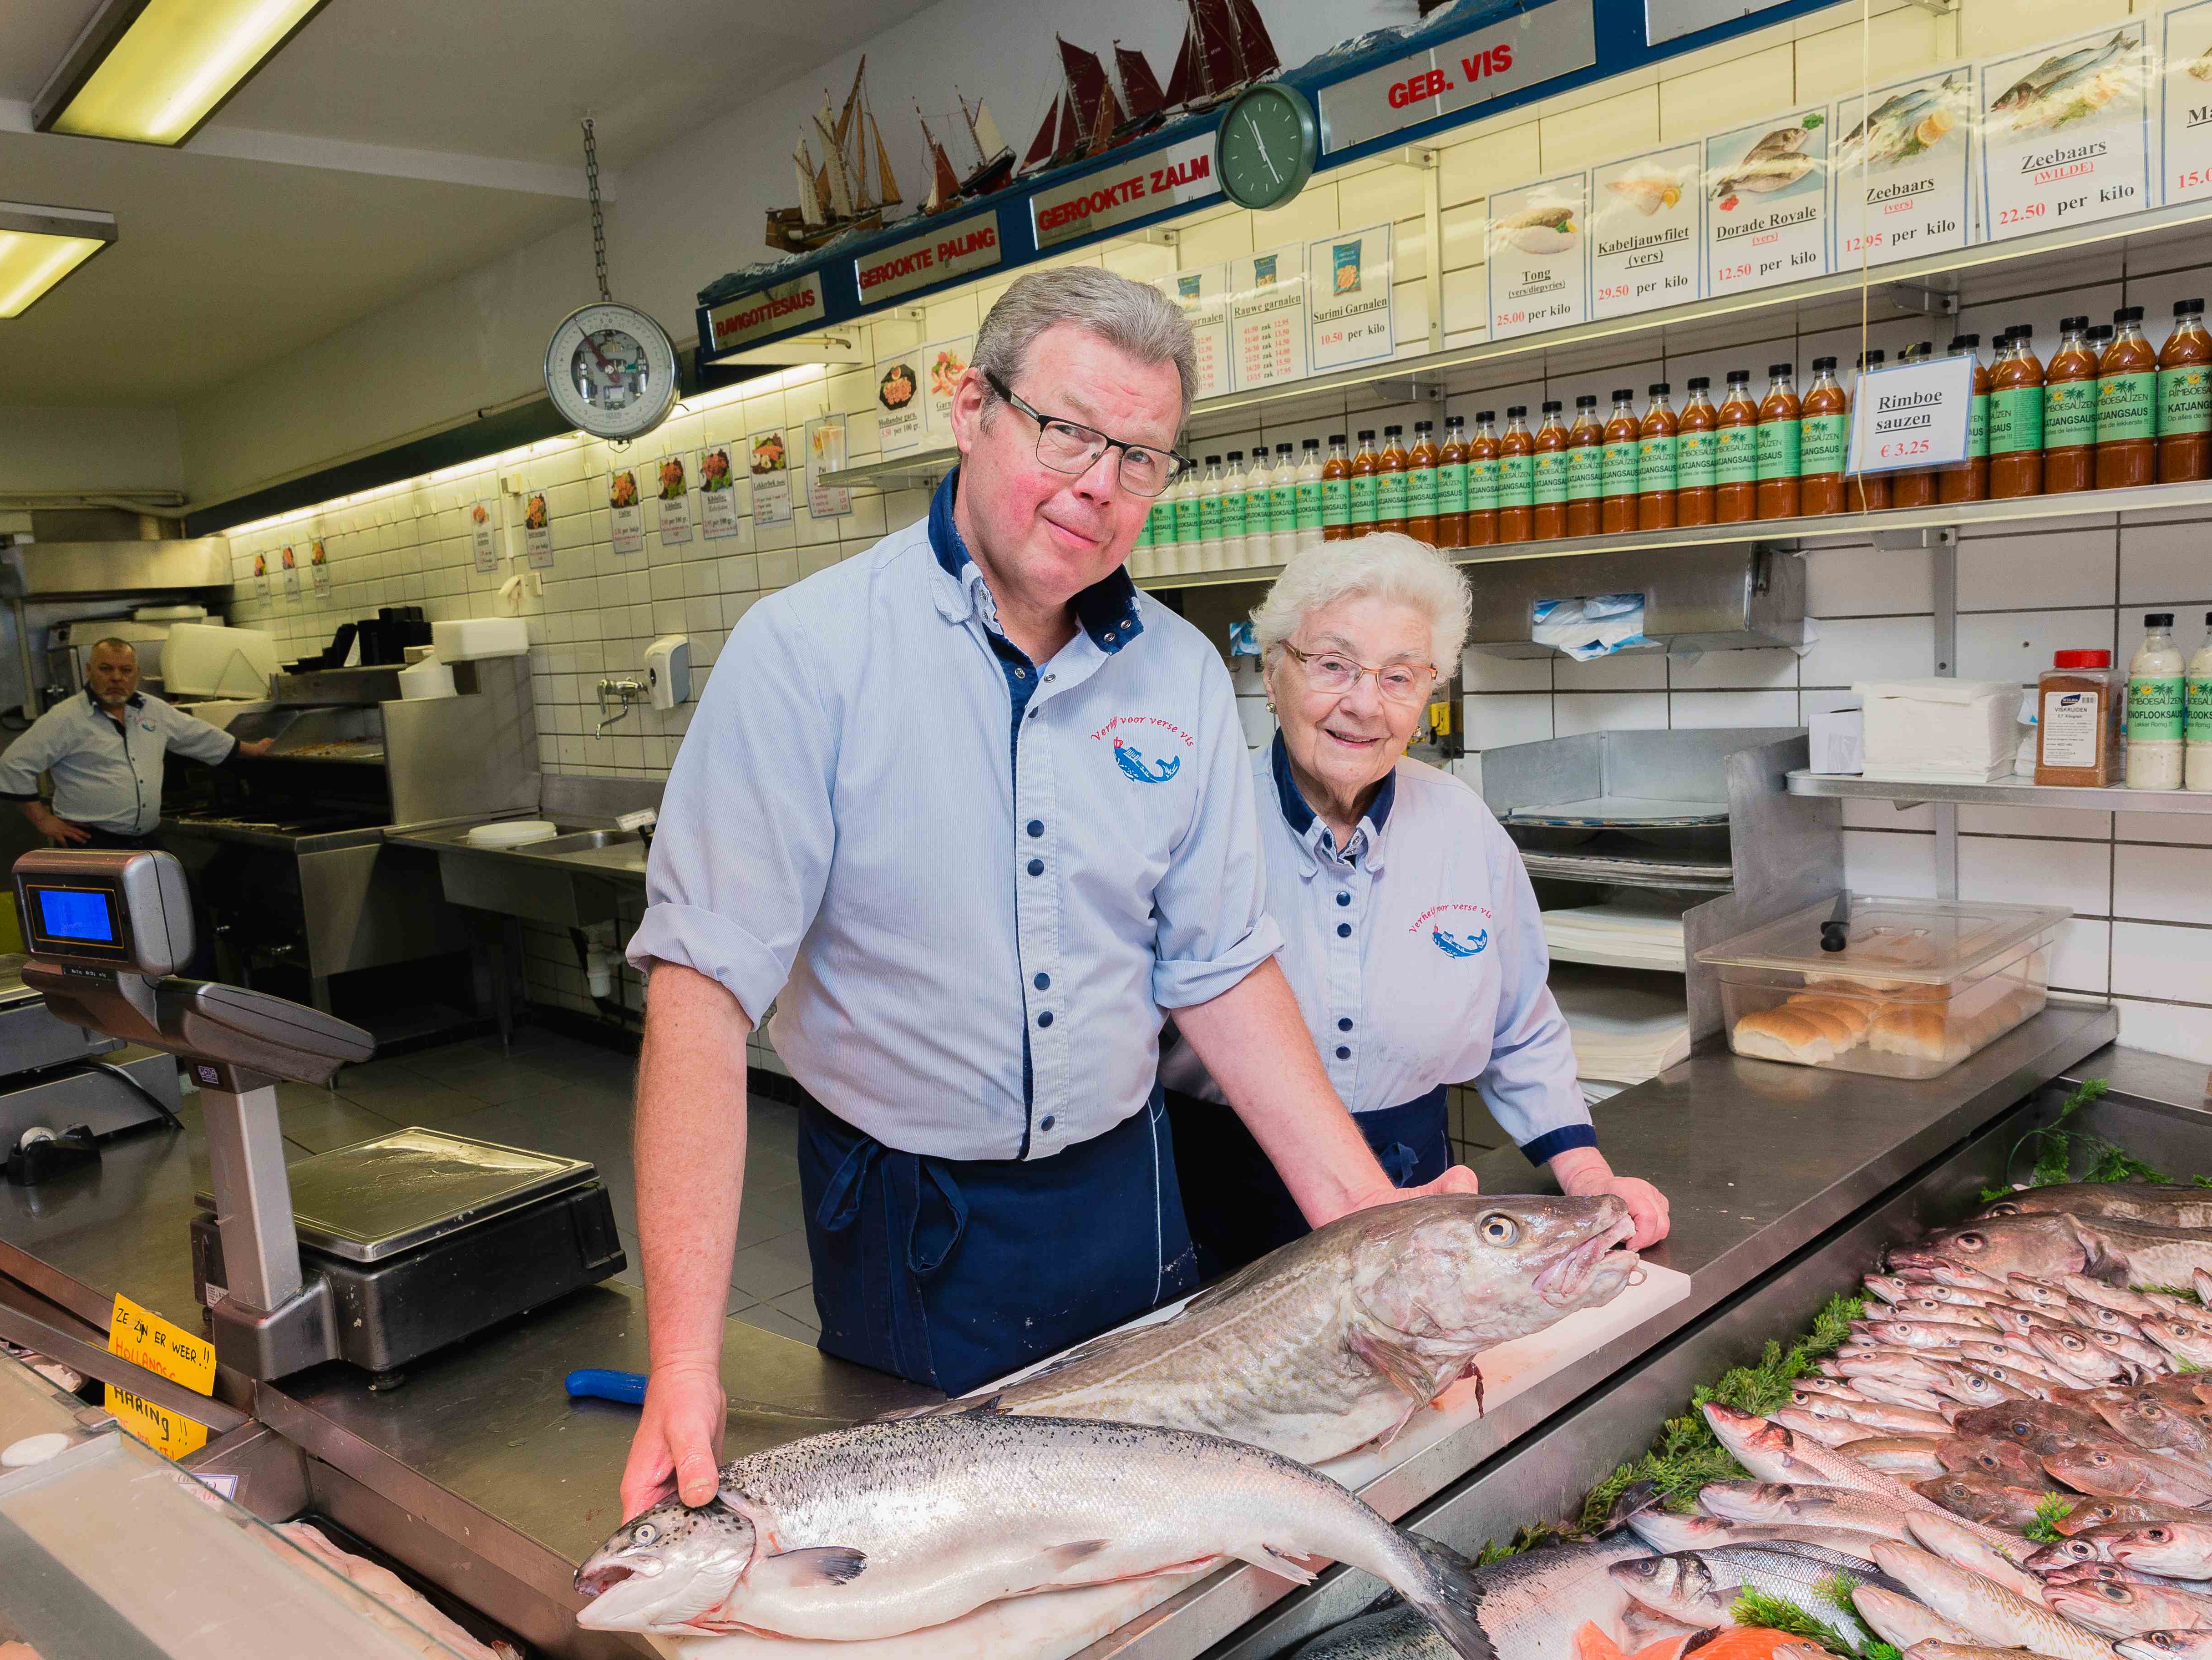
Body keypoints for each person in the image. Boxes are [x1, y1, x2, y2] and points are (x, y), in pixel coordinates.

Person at [619, 268, 1477, 1518]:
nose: (1097, 486)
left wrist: (1364, 1221)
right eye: (1067, 432)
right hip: (912, 1208)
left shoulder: (1181, 674)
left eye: (1140, 458)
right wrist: (685, 1363)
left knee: (1146, 1517)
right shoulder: (808, 654)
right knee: (951, 1546)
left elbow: (1219, 968)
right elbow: (700, 996)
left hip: (1124, 1191)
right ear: (972, 410)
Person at [1162, 535, 1671, 1279]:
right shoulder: (1199, 820)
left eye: (1399, 676)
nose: (1364, 703)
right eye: (1332, 665)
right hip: (1218, 1205)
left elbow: (1520, 1026)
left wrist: (1589, 1176)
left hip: (1419, 1208)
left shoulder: (1463, 825)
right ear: (1272, 672)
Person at [0, 637, 271, 849]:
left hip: (144, 840)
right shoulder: (66, 717)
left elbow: (198, 735)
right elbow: (13, 765)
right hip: (89, 843)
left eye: (125, 670)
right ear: (89, 671)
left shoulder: (153, 709)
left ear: (136, 674)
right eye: (106, 669)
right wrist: (44, 821)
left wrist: (253, 750)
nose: (117, 678)